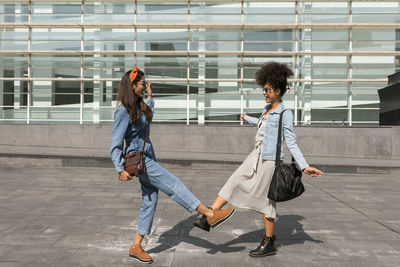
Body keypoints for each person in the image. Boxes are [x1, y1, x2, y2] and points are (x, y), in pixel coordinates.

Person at [193, 62, 324, 257]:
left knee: (266, 202)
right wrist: (247, 118)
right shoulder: (266, 110)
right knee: (234, 180)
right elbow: (262, 123)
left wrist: (304, 167)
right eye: (263, 89)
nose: (264, 92)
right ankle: (210, 214)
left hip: (270, 162)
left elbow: (291, 142)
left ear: (278, 90)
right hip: (254, 156)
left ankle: (269, 241)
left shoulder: (284, 114)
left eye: (267, 89)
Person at [110, 66, 235, 264]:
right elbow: (115, 143)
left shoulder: (139, 105)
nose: (145, 86)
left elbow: (147, 117)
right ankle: (209, 214)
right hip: (139, 160)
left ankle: (136, 246)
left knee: (150, 200)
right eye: (142, 84)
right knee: (173, 184)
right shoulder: (123, 112)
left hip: (147, 156)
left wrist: (149, 97)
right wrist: (119, 169)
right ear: (132, 85)